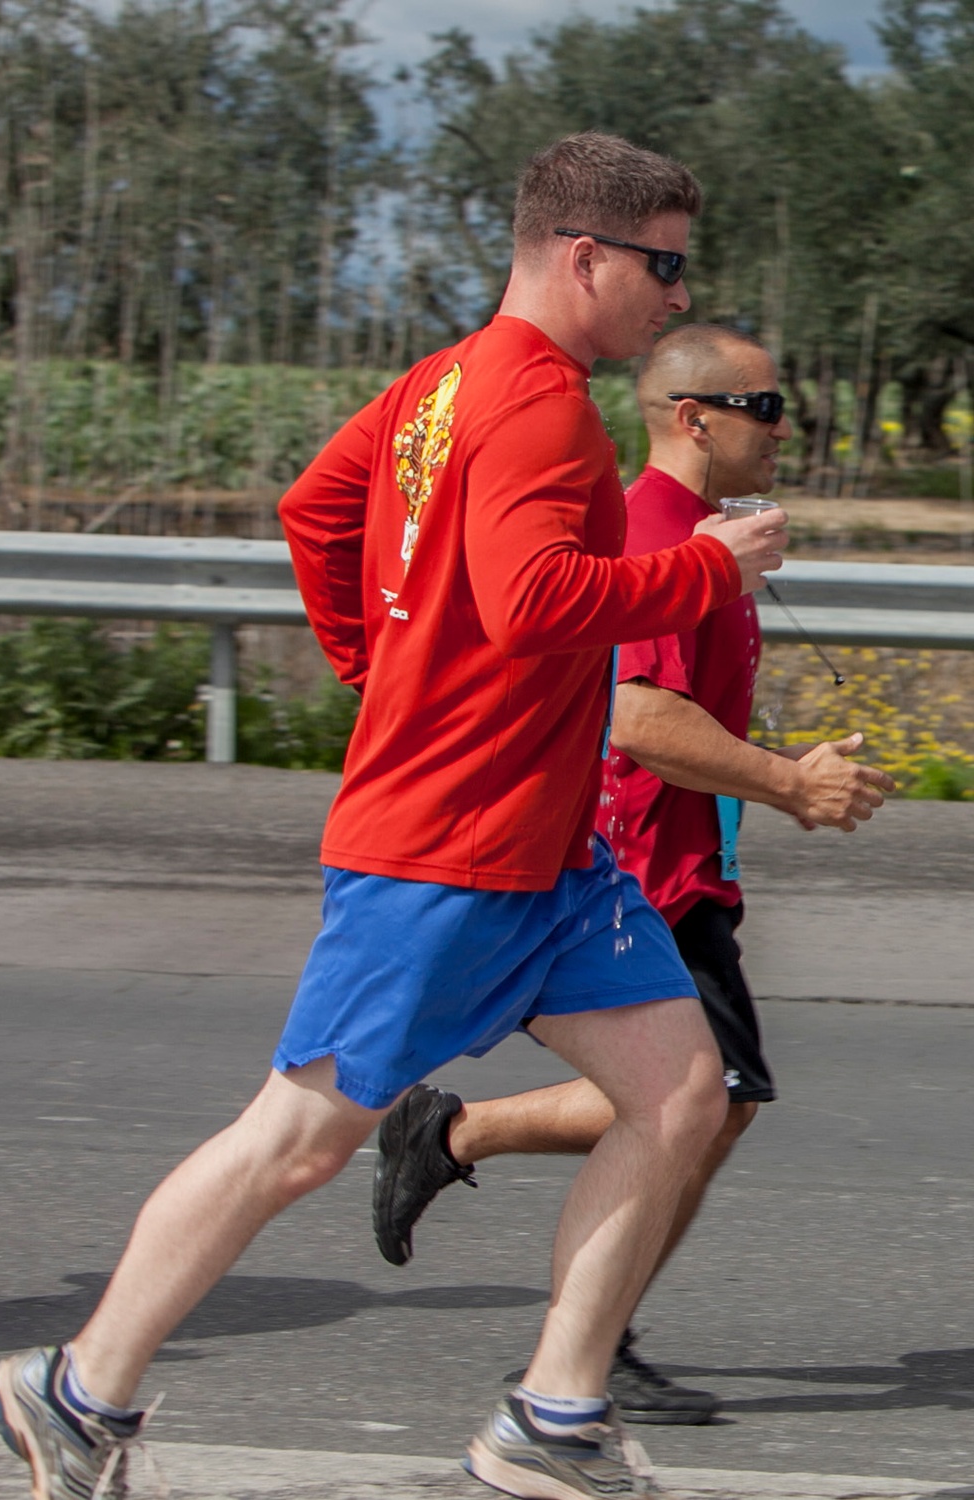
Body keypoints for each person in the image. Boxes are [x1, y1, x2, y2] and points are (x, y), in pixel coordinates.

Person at [0, 137, 789, 1500]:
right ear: (583, 255)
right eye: (661, 265)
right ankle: (76, 1391)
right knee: (297, 1138)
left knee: (685, 1094)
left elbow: (319, 507)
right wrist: (703, 568)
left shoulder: (438, 386)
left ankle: (554, 1417)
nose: (675, 296)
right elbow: (537, 598)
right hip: (452, 844)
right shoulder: (535, 405)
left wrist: (384, 663)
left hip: (546, 844)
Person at [371, 322, 895, 1427]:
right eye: (762, 405)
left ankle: (474, 1173)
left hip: (684, 865)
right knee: (704, 1102)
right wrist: (788, 784)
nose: (781, 426)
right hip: (639, 869)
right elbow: (641, 716)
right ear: (691, 416)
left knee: (711, 1104)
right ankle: (574, 1350)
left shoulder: (705, 535)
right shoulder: (651, 531)